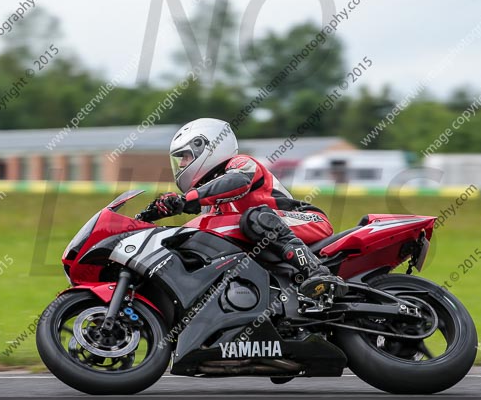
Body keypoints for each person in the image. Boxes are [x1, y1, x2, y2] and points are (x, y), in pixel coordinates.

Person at [144, 118, 348, 299]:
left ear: (206, 148)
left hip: (306, 220)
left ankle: (318, 273)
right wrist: (154, 214)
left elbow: (237, 181)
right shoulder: (211, 201)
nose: (181, 165)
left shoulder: (241, 164)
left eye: (185, 157)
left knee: (256, 218)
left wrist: (186, 199)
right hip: (270, 236)